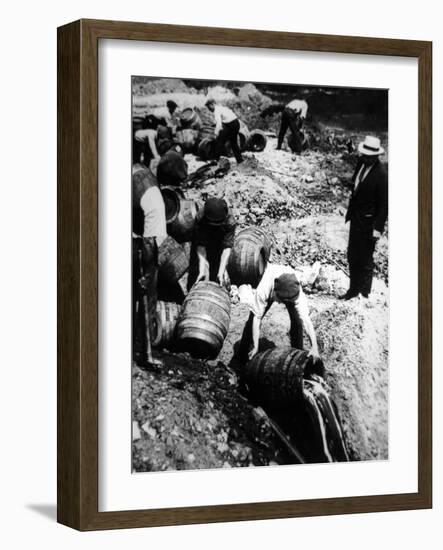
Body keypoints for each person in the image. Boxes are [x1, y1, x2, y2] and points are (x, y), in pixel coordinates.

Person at [237, 264, 320, 363]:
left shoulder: (297, 293)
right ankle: (241, 356)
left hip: (287, 284)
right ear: (275, 293)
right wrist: (256, 346)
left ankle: (297, 355)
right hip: (271, 281)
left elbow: (307, 322)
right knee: (251, 320)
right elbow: (257, 318)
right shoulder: (264, 289)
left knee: (297, 322)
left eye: (289, 301)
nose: (282, 304)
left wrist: (314, 347)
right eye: (282, 300)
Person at [340, 135, 388, 300]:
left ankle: (364, 294)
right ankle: (353, 290)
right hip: (356, 218)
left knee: (366, 259)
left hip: (369, 223)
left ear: (375, 156)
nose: (364, 157)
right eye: (364, 154)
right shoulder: (361, 163)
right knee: (352, 254)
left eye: (368, 156)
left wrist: (378, 229)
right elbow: (357, 183)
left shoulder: (381, 175)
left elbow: (384, 205)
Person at [132, 164, 168, 367]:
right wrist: (147, 275)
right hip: (135, 242)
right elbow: (149, 241)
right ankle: (145, 353)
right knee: (148, 292)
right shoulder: (154, 198)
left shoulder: (138, 170)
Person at [187, 197, 236, 290]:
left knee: (217, 272)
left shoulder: (230, 222)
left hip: (220, 240)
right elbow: (201, 245)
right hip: (205, 237)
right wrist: (202, 269)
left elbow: (227, 248)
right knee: (197, 271)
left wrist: (221, 271)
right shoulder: (200, 217)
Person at [205, 99, 244, 164]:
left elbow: (219, 124)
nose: (209, 110)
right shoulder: (222, 107)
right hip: (236, 123)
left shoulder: (216, 111)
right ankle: (240, 160)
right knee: (233, 142)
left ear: (212, 104)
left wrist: (216, 133)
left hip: (230, 124)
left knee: (220, 141)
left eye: (209, 108)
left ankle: (215, 160)